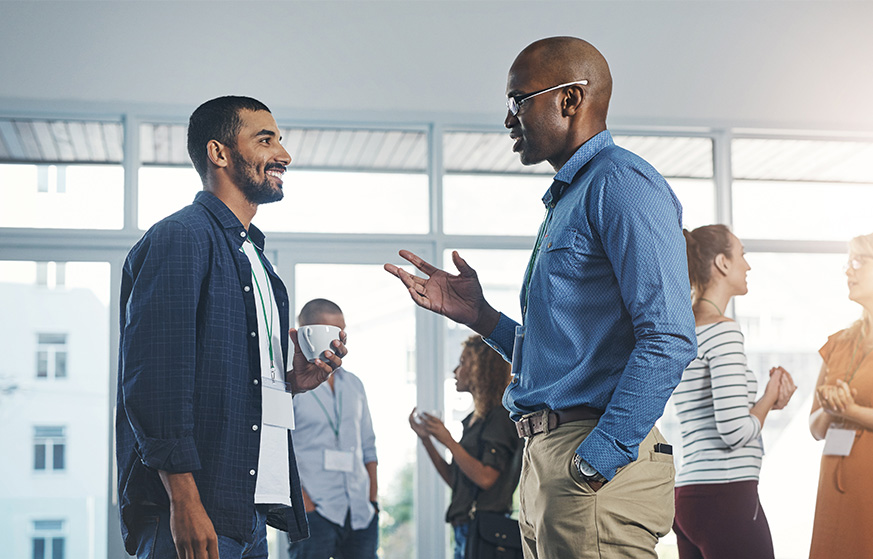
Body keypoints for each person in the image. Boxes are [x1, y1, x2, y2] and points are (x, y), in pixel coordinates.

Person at [385, 37, 697, 558]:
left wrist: (598, 458)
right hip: (547, 458)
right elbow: (562, 356)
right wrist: (480, 316)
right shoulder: (570, 197)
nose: (509, 119)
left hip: (590, 460)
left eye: (518, 100)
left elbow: (668, 335)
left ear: (570, 99)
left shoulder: (621, 183)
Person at [116, 96, 347, 559]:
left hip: (248, 513)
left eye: (280, 140)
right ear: (218, 153)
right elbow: (155, 381)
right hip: (195, 512)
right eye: (265, 140)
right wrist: (184, 500)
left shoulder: (257, 260)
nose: (283, 154)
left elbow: (235, 382)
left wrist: (291, 383)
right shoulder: (180, 237)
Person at [671, 225, 796, 559]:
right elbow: (735, 431)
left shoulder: (684, 331)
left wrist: (766, 403)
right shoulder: (723, 331)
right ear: (723, 263)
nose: (748, 266)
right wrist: (769, 397)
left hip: (689, 497)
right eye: (742, 255)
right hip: (724, 495)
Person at [409, 335, 522, 559]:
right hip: (466, 529)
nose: (455, 371)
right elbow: (456, 480)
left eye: (462, 362)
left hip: (484, 530)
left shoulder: (499, 417)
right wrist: (427, 439)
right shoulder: (475, 419)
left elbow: (486, 478)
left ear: (481, 369)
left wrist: (448, 441)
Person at [287, 298, 379, 559]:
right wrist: (305, 506)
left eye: (342, 332)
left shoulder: (355, 385)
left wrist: (372, 500)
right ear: (306, 332)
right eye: (330, 333)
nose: (339, 341)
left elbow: (368, 446)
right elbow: (280, 450)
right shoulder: (290, 384)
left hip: (361, 512)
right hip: (315, 512)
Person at [809, 232, 873, 558]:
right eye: (847, 262)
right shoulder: (837, 342)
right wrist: (832, 409)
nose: (849, 270)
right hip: (833, 487)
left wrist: (849, 409)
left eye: (858, 261)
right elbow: (815, 427)